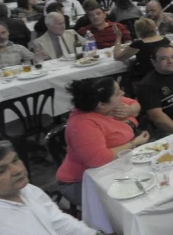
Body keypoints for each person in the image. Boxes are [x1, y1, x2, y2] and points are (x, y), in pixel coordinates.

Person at [0, 140, 137, 235]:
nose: (17, 170)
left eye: (15, 160)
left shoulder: (29, 190)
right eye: (1, 171)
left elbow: (59, 222)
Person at [55, 78, 147, 207]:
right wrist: (133, 143)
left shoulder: (109, 103)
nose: (122, 93)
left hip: (115, 167)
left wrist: (130, 111)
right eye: (117, 93)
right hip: (82, 181)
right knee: (135, 202)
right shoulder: (82, 125)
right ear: (101, 105)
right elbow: (98, 159)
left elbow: (135, 105)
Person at [113, 17, 170, 87]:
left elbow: (117, 57)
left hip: (146, 75)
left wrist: (118, 37)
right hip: (165, 71)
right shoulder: (165, 40)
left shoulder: (139, 44)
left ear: (138, 31)